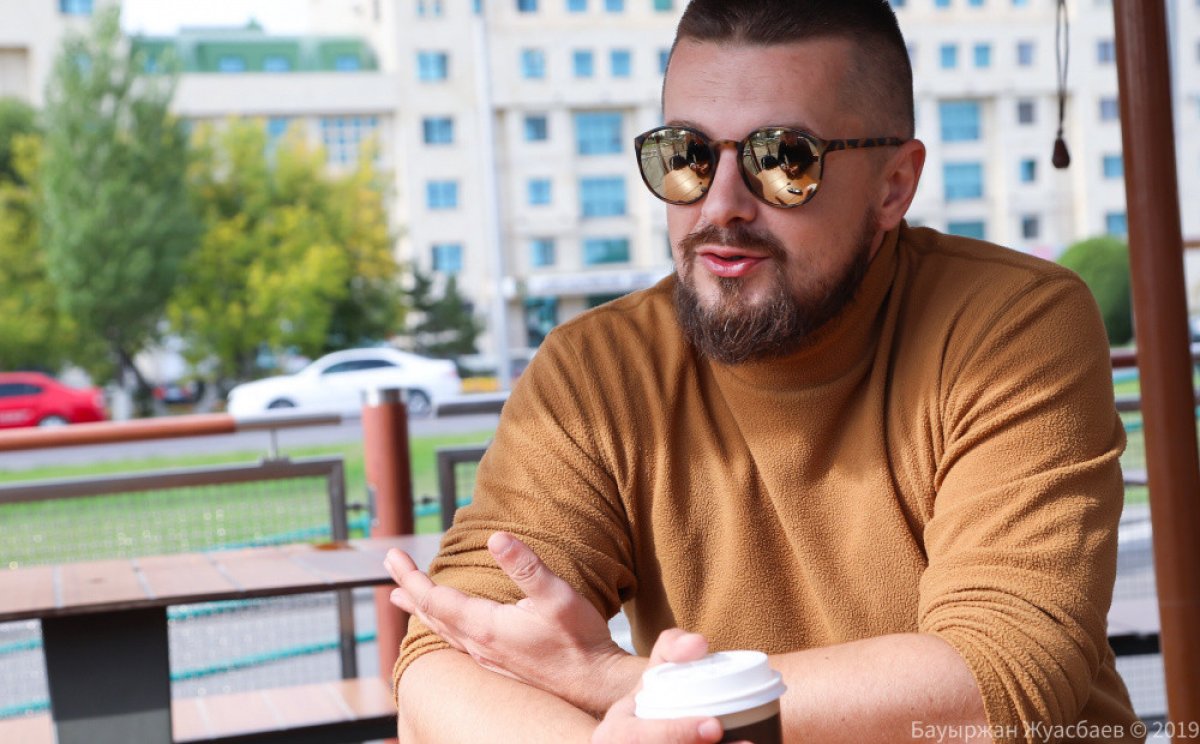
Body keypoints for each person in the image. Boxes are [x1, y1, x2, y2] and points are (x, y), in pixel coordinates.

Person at [385, 1, 1140, 741]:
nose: (721, 205)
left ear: (893, 186)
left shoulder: (1013, 323)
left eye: (782, 159)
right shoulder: (597, 371)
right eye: (686, 154)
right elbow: (447, 659)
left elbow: (998, 685)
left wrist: (618, 683)